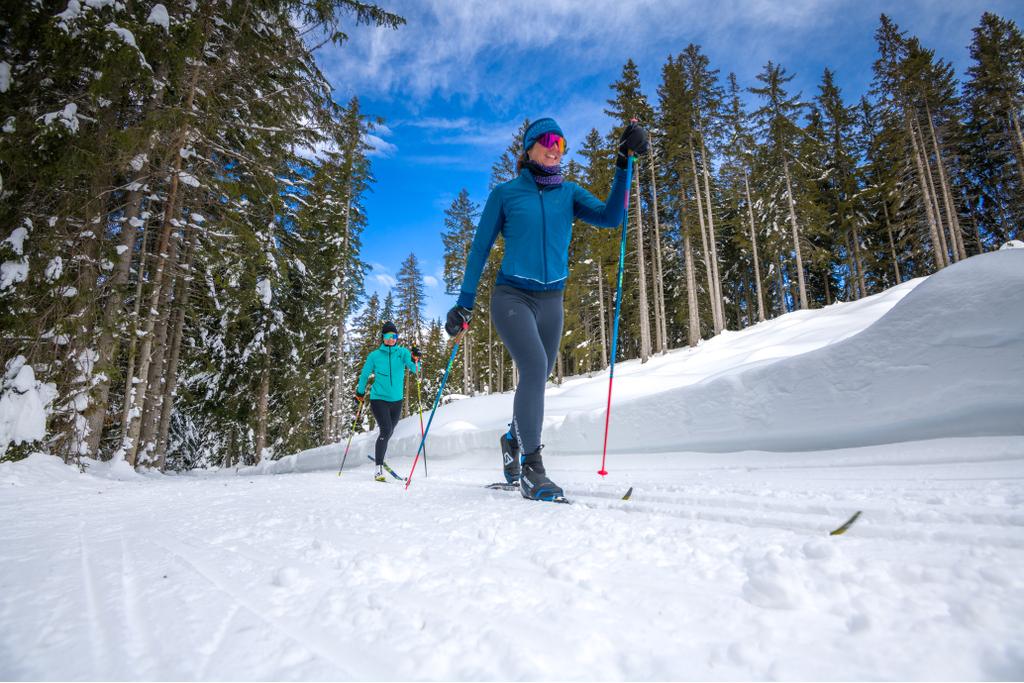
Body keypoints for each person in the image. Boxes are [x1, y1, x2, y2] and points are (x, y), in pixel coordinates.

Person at [445, 117, 649, 501]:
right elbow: (479, 249)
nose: (555, 147)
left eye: (561, 142)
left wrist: (623, 162)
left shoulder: (568, 193)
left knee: (537, 378)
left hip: (552, 300)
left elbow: (611, 217)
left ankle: (513, 438)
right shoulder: (505, 194)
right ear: (528, 148)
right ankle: (531, 468)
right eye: (548, 140)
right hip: (512, 297)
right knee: (535, 368)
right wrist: (464, 303)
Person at [356, 321, 422, 482]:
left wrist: (416, 359)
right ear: (382, 337)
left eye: (394, 336)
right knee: (385, 430)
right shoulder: (375, 356)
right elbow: (364, 375)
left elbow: (415, 370)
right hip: (378, 399)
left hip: (396, 401)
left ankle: (380, 456)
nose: (391, 339)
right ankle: (378, 468)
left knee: (390, 431)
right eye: (388, 336)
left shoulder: (403, 353)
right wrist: (360, 391)